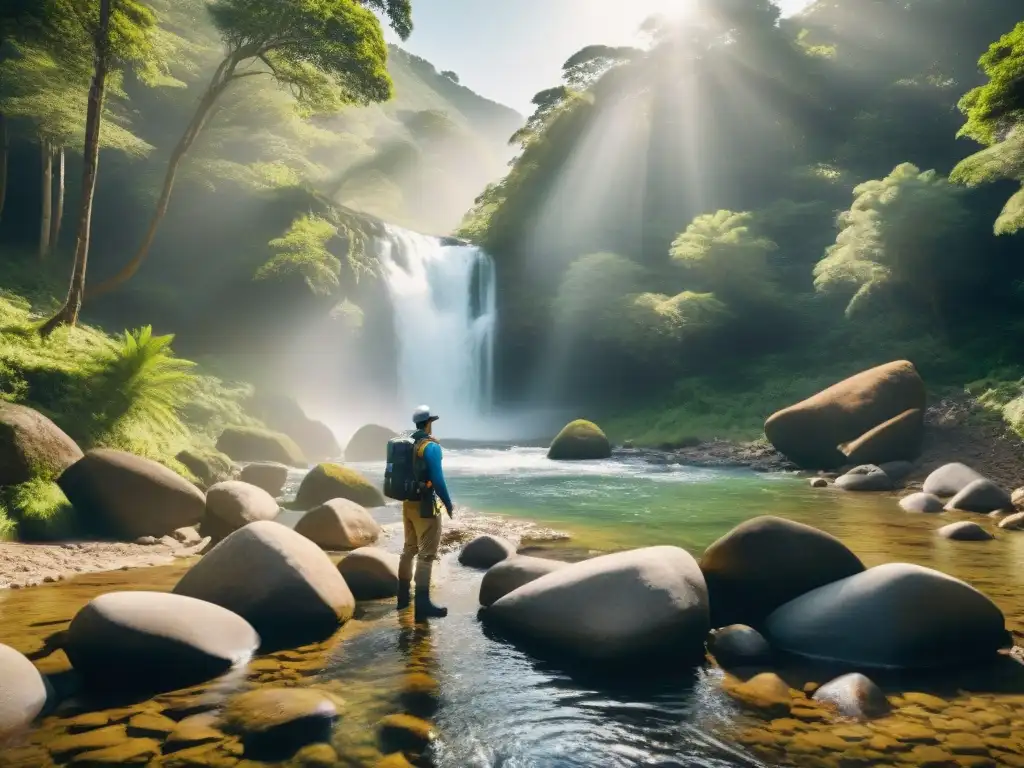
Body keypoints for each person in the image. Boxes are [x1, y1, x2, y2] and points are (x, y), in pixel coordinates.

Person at [398, 405, 454, 620]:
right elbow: (438, 480)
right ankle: (423, 604)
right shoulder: (430, 446)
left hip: (407, 503)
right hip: (424, 506)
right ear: (429, 422)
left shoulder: (408, 443)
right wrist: (448, 504)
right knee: (426, 554)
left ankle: (403, 597)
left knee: (409, 548)